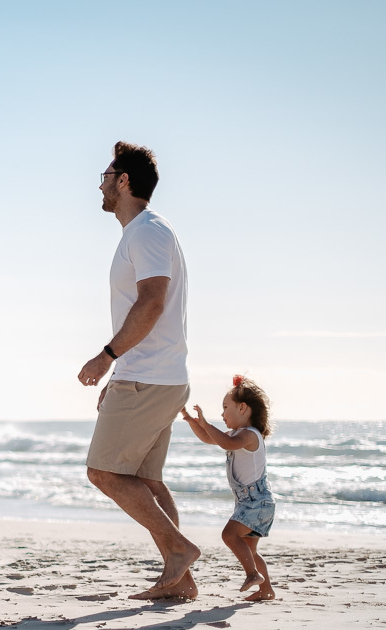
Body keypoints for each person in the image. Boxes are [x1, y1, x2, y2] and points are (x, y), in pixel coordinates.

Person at [78, 141, 200, 601]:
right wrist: (118, 370)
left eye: (106, 176)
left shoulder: (148, 232)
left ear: (124, 181)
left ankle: (179, 550)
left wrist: (107, 356)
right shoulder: (143, 232)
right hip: (155, 373)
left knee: (104, 473)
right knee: (147, 481)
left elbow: (152, 303)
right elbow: (144, 308)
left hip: (149, 375)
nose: (102, 185)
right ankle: (179, 580)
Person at [181, 376, 276, 601]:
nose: (222, 414)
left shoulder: (249, 435)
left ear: (242, 408)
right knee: (250, 551)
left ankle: (253, 575)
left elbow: (227, 443)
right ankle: (266, 589)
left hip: (256, 502)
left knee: (228, 535)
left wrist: (206, 422)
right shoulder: (236, 434)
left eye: (225, 408)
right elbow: (208, 438)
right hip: (252, 503)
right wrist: (191, 420)